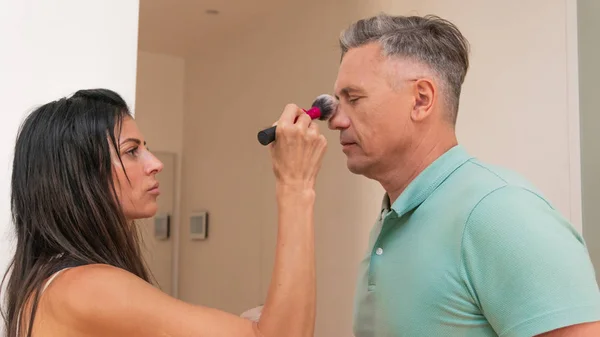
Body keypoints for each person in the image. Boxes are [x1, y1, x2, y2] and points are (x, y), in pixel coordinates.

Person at [328, 13, 600, 337]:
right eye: (336, 103)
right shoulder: (391, 220)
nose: (336, 120)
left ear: (421, 100)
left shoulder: (499, 213)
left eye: (354, 99)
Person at [0, 88, 327, 337]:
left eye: (146, 148)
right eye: (132, 151)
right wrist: (296, 184)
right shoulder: (85, 286)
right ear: (79, 174)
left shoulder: (56, 280)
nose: (155, 164)